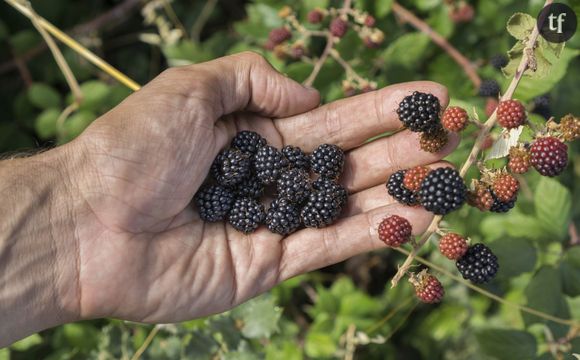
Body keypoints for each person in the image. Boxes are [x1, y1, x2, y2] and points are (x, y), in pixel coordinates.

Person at [0, 52, 458, 347]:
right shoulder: (254, 177)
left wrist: (68, 205)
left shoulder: (281, 179)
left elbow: (285, 186)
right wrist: (74, 199)